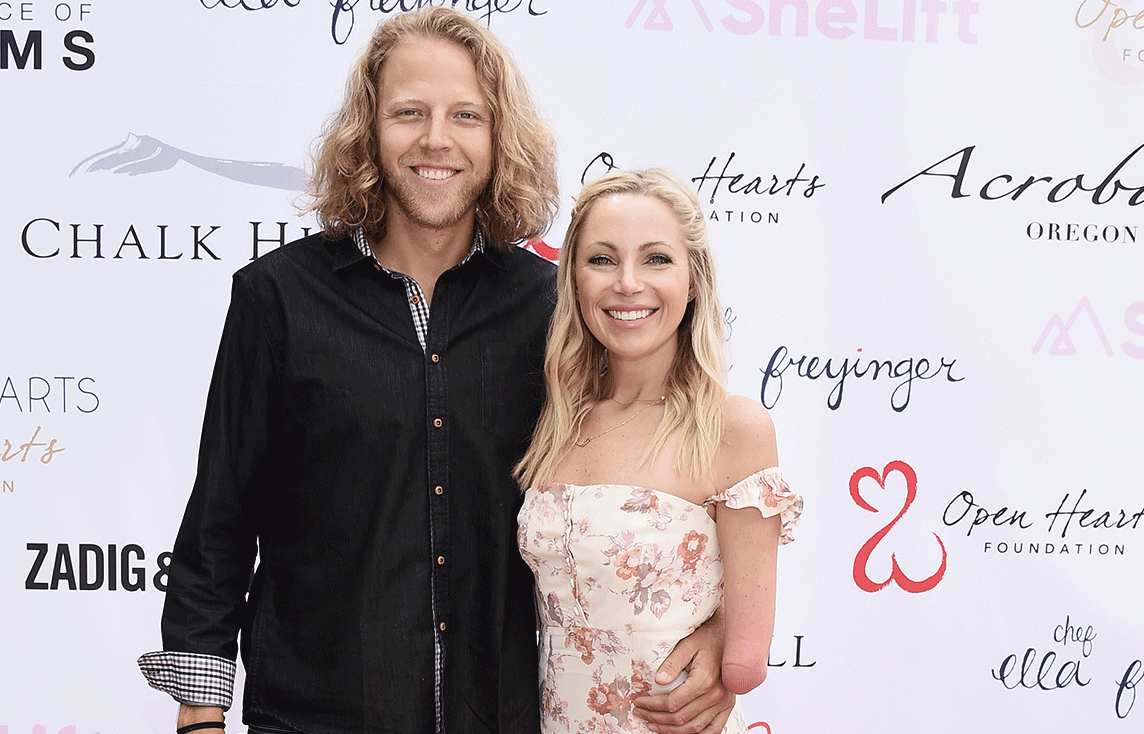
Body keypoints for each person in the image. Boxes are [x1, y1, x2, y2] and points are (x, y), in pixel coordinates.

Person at [138, 10, 735, 734]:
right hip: (315, 714)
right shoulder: (280, 299)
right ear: (368, 128)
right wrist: (200, 719)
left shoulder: (550, 309)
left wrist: (715, 632)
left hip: (500, 713)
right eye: (409, 113)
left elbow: (649, 480)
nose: (436, 140)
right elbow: (220, 520)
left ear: (497, 135)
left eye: (466, 115)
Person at [514, 170, 803, 733]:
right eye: (601, 259)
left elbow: (745, 660)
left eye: (656, 259)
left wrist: (720, 647)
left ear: (693, 280)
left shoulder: (733, 428)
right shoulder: (553, 422)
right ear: (573, 280)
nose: (627, 283)